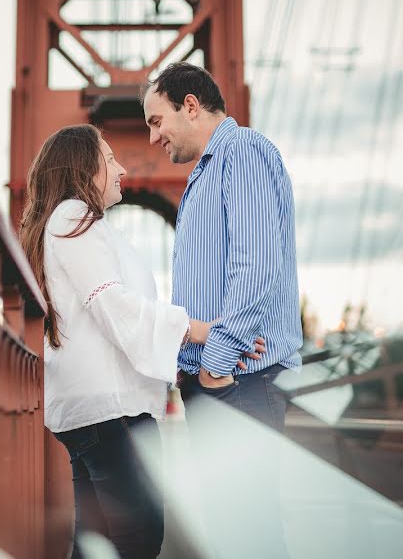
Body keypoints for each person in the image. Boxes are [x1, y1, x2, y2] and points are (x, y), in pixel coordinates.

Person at [19, 124, 265, 558]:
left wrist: (211, 342)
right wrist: (200, 329)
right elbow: (112, 305)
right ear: (83, 167)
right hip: (109, 410)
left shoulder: (68, 222)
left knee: (100, 541)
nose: (122, 168)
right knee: (140, 536)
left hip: (92, 408)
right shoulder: (75, 217)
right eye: (110, 159)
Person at [141, 62, 302, 556]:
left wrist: (214, 367)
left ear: (190, 105)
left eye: (156, 120)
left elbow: (257, 266)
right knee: (233, 531)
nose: (152, 138)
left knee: (247, 532)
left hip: (241, 379)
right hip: (228, 380)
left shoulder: (242, 153)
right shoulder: (211, 169)